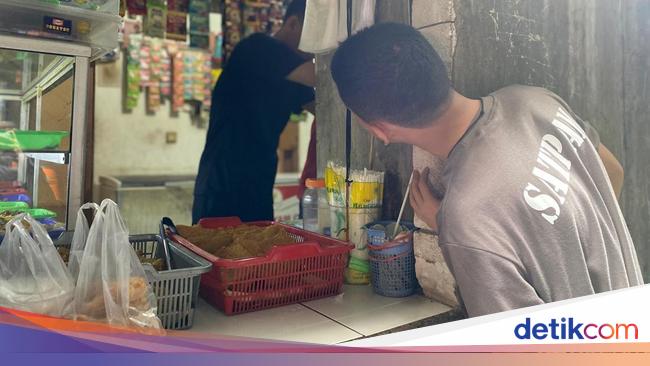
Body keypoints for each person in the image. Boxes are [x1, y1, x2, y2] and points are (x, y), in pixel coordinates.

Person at [330, 23, 643, 317]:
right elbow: (611, 172)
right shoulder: (535, 100)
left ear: (379, 130)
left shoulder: (467, 220)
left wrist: (462, 230)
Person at [193, 0, 314, 224]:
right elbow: (319, 76)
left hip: (258, 182)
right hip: (222, 181)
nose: (315, 48)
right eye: (314, 36)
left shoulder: (294, 75)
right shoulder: (258, 48)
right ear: (293, 23)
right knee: (214, 254)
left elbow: (324, 107)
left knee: (260, 256)